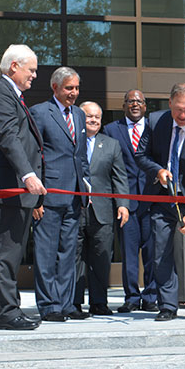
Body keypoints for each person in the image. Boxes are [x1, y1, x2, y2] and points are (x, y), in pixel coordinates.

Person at [0, 44, 46, 330]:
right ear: (14, 67)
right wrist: (28, 174)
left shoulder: (12, 96)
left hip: (19, 190)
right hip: (10, 188)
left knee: (13, 252)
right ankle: (6, 313)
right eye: (31, 70)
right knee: (5, 253)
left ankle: (11, 307)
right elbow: (8, 137)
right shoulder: (0, 94)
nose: (34, 76)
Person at [135, 83, 185, 322]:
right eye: (179, 109)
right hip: (163, 198)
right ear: (170, 103)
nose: (183, 115)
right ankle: (168, 306)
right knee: (161, 253)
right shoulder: (154, 121)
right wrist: (158, 170)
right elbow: (141, 155)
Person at [30, 67, 91, 322]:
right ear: (55, 87)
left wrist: (85, 184)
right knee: (46, 253)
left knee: (69, 253)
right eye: (69, 88)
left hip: (74, 196)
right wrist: (36, 199)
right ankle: (49, 305)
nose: (74, 93)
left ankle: (66, 303)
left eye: (76, 88)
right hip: (49, 196)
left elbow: (80, 155)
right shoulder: (40, 112)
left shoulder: (78, 114)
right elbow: (33, 157)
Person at [103, 89, 158, 313]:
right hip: (125, 202)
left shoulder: (155, 129)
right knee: (129, 252)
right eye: (130, 101)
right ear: (124, 105)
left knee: (152, 252)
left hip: (151, 198)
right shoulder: (111, 130)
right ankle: (132, 297)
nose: (134, 105)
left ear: (145, 106)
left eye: (139, 101)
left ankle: (151, 296)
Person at [74, 101, 129, 315]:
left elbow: (120, 178)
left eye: (97, 116)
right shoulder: (72, 141)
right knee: (75, 259)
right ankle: (75, 302)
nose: (94, 120)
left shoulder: (111, 144)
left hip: (103, 212)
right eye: (89, 116)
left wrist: (123, 205)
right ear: (80, 117)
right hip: (76, 209)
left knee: (101, 257)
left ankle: (99, 302)